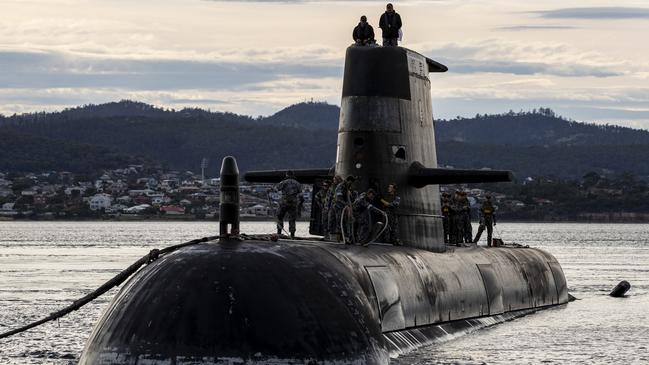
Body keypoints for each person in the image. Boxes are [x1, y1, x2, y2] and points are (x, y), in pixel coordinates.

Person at [274, 170, 302, 239]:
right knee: (292, 219)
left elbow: (276, 188)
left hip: (284, 202)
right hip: (293, 203)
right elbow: (301, 194)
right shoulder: (297, 183)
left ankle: (279, 232)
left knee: (280, 216)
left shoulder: (284, 182)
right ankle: (292, 234)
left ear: (287, 175)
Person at [334, 176, 357, 243]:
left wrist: (349, 207)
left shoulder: (346, 187)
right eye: (351, 182)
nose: (351, 184)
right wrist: (346, 206)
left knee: (347, 222)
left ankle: (347, 238)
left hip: (345, 208)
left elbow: (347, 199)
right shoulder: (340, 186)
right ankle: (338, 240)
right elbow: (339, 198)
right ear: (348, 181)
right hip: (339, 207)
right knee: (339, 223)